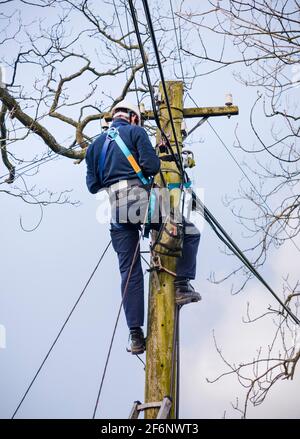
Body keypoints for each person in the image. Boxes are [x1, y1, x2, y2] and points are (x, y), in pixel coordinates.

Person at [85, 100, 201, 355]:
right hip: (140, 202)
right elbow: (152, 167)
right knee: (189, 230)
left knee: (129, 272)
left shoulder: (94, 146)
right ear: (134, 118)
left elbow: (93, 186)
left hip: (115, 211)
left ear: (113, 118)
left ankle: (135, 335)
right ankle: (181, 286)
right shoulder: (136, 133)